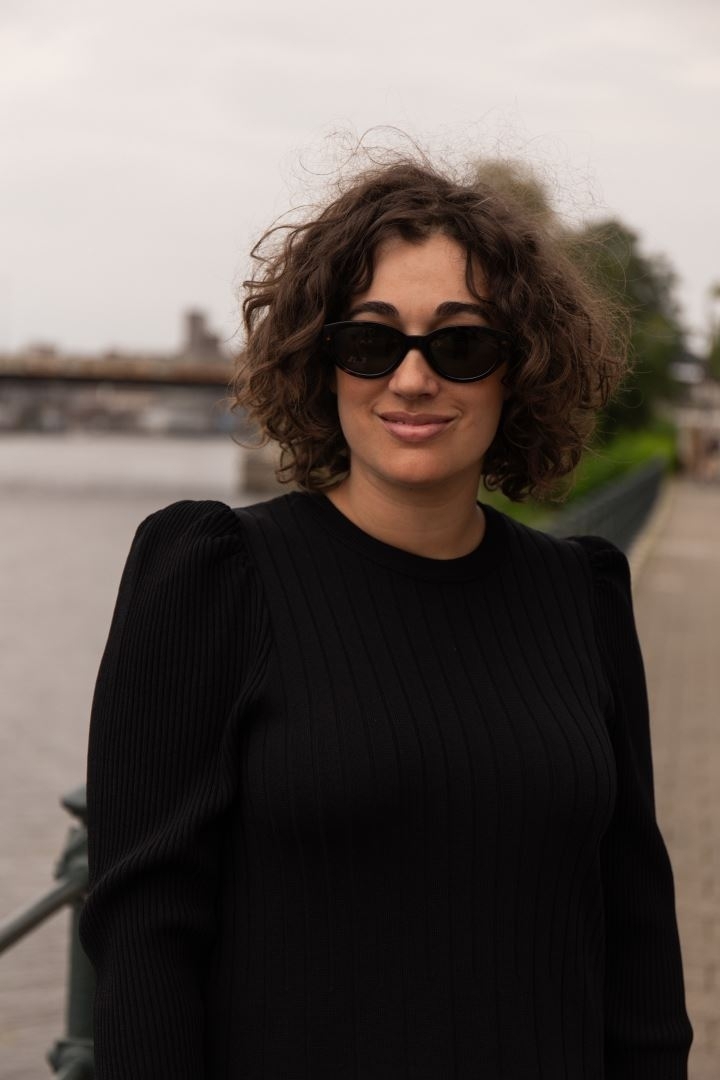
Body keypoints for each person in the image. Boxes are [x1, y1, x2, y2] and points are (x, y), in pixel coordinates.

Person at [78, 155, 693, 1079]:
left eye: (461, 345)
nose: (411, 379)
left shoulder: (584, 595)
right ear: (320, 362)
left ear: (520, 367)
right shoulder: (215, 577)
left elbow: (637, 936)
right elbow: (145, 945)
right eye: (370, 342)